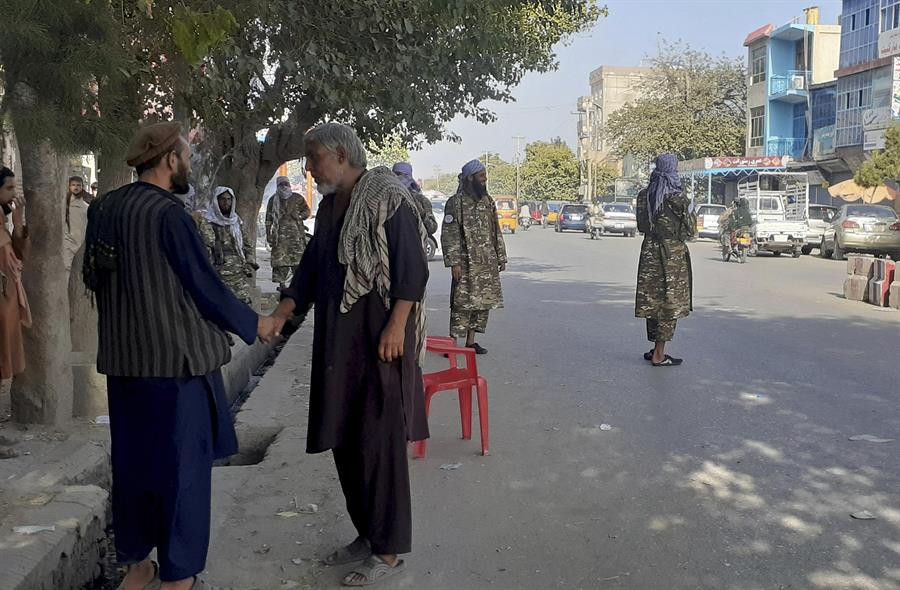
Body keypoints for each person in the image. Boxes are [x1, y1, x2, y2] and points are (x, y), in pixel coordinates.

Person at [83, 121, 278, 590]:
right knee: (183, 476)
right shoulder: (171, 215)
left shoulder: (104, 208)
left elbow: (94, 279)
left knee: (134, 469)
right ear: (171, 158)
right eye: (187, 156)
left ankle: (136, 567)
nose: (188, 164)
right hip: (176, 367)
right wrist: (257, 324)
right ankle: (178, 577)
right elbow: (205, 286)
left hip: (125, 365)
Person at [268, 123, 428, 587]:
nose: (309, 167)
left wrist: (397, 325)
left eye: (313, 158)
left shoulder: (386, 197)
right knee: (346, 441)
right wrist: (283, 310)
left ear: (339, 154)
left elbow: (411, 271)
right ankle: (367, 533)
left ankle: (389, 552)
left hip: (380, 342)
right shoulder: (333, 206)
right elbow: (314, 267)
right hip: (340, 345)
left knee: (379, 448)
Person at [441, 159, 507, 355]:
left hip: (486, 262)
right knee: (461, 302)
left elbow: (496, 230)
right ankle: (452, 344)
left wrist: (501, 257)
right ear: (470, 178)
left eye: (485, 175)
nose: (485, 179)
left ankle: (471, 341)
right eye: (481, 175)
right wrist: (454, 263)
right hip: (465, 262)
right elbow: (449, 233)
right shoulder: (455, 203)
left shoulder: (488, 202)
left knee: (481, 302)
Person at [635, 154, 695, 367]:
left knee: (652, 301)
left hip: (649, 252)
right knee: (669, 303)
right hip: (672, 255)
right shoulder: (678, 198)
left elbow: (641, 226)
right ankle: (660, 355)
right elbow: (691, 229)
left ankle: (655, 349)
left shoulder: (644, 196)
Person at [0, 167, 31, 444]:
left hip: (7, 297)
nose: (13, 194)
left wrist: (18, 219)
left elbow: (20, 252)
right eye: (9, 188)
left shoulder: (3, 220)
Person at [194, 186, 257, 303]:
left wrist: (249, 258)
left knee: (242, 305)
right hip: (218, 271)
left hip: (238, 272)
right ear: (216, 201)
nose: (226, 202)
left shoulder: (236, 221)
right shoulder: (207, 221)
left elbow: (247, 243)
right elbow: (208, 243)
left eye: (229, 199)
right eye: (222, 199)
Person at [266, 175, 311, 289]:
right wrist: (268, 235)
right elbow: (268, 219)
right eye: (281, 184)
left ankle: (297, 285)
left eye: (286, 184)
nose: (284, 186)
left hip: (296, 237)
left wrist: (299, 216)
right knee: (280, 263)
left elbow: (307, 211)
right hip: (279, 239)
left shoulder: (297, 198)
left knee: (298, 262)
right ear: (278, 186)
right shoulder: (273, 200)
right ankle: (282, 285)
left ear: (290, 185)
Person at [392, 162, 438, 237]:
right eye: (395, 174)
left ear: (409, 176)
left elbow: (432, 228)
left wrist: (422, 213)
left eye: (402, 175)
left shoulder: (421, 200)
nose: (398, 178)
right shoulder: (385, 198)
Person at [64, 175, 90, 272]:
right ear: (69, 186)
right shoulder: (64, 204)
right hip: (67, 242)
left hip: (81, 243)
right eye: (73, 185)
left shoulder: (87, 205)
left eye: (78, 185)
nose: (76, 187)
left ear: (82, 187)